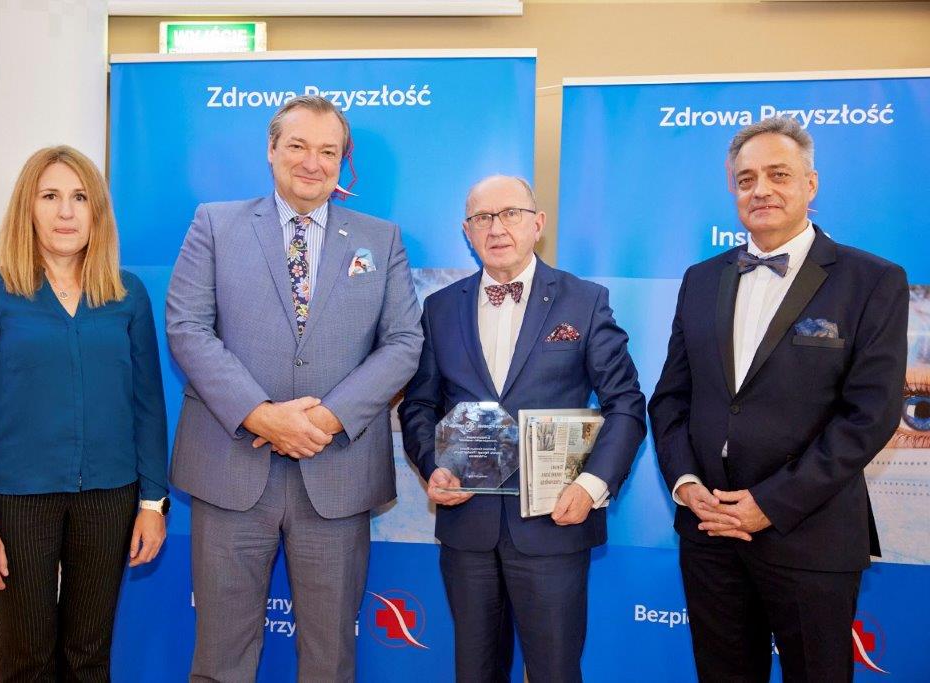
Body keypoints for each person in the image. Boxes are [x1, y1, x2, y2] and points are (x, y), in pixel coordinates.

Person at [166, 95, 423, 681]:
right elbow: (186, 326)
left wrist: (326, 419)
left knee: (330, 659)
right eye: (299, 146)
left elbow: (405, 342)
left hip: (336, 473)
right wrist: (261, 414)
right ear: (272, 151)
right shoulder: (216, 223)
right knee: (220, 657)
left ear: (342, 161)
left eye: (328, 151)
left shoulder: (380, 240)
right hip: (231, 469)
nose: (313, 162)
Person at [648, 116, 908, 682]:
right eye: (745, 179)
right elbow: (671, 399)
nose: (760, 189)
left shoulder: (873, 280)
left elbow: (869, 415)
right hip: (710, 532)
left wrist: (771, 502)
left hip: (809, 534)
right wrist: (687, 485)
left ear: (810, 185)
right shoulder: (700, 279)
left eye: (778, 174)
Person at [398, 175, 646, 682]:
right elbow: (419, 404)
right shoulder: (440, 307)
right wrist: (431, 467)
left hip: (553, 523)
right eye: (482, 218)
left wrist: (591, 485)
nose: (497, 228)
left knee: (555, 671)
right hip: (469, 528)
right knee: (475, 671)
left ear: (538, 224)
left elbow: (626, 404)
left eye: (510, 213)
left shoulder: (585, 300)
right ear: (466, 232)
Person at [0, 145, 169, 681]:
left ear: (97, 213)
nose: (66, 212)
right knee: (27, 660)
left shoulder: (127, 295)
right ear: (29, 207)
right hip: (18, 504)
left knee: (88, 657)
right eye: (50, 196)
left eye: (79, 198)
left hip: (110, 499)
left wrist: (152, 503)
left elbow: (148, 405)